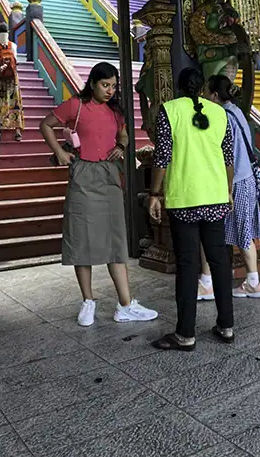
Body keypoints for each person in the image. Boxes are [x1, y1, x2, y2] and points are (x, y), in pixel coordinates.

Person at [39, 62, 158, 327]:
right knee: (81, 238)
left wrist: (121, 146)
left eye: (113, 86)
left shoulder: (115, 110)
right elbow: (45, 124)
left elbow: (124, 134)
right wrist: (59, 152)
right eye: (105, 85)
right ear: (92, 83)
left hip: (109, 175)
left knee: (116, 239)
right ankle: (88, 301)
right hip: (83, 174)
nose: (110, 91)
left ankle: (125, 305)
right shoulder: (76, 105)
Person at [149, 68, 236, 351]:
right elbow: (228, 158)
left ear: (179, 86)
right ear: (202, 88)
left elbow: (162, 156)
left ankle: (186, 334)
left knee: (187, 265)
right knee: (219, 261)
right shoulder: (220, 113)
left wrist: (154, 193)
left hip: (184, 198)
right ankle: (226, 326)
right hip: (215, 196)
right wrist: (228, 191)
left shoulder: (170, 110)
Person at [198, 74, 260, 300]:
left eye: (206, 92)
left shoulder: (221, 116)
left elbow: (221, 152)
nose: (204, 96)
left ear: (214, 95)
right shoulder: (237, 112)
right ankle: (253, 282)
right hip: (245, 178)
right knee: (244, 233)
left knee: (211, 229)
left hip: (232, 181)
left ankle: (208, 283)